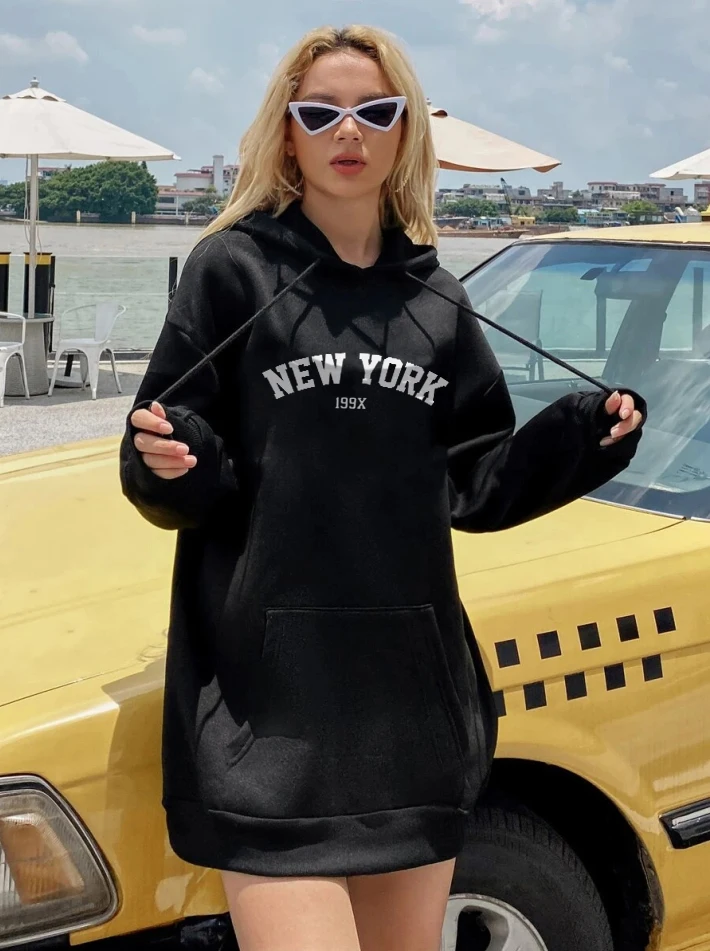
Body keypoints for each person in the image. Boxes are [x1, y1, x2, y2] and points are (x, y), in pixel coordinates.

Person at [119, 23, 645, 951]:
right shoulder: (231, 271)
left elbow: (477, 482)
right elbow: (164, 453)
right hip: (268, 715)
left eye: (375, 111)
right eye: (321, 113)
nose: (348, 132)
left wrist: (580, 437)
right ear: (288, 134)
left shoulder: (434, 297)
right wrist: (175, 460)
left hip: (408, 715)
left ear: (406, 131)